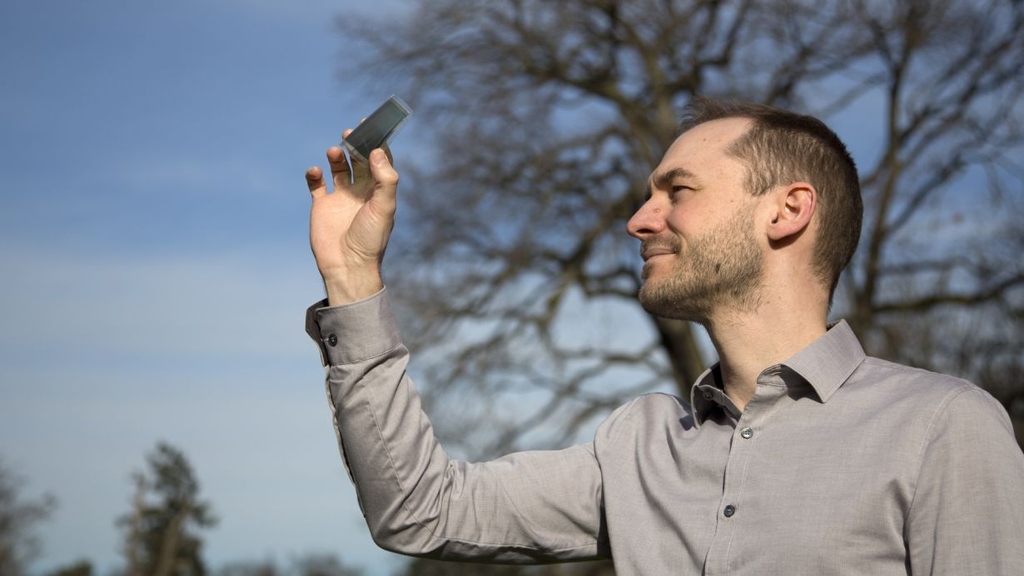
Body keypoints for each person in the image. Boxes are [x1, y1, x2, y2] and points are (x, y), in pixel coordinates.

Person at [302, 98, 1024, 575]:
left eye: (677, 192)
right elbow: (421, 510)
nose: (639, 221)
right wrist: (353, 280)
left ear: (788, 211)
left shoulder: (942, 429)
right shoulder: (635, 448)